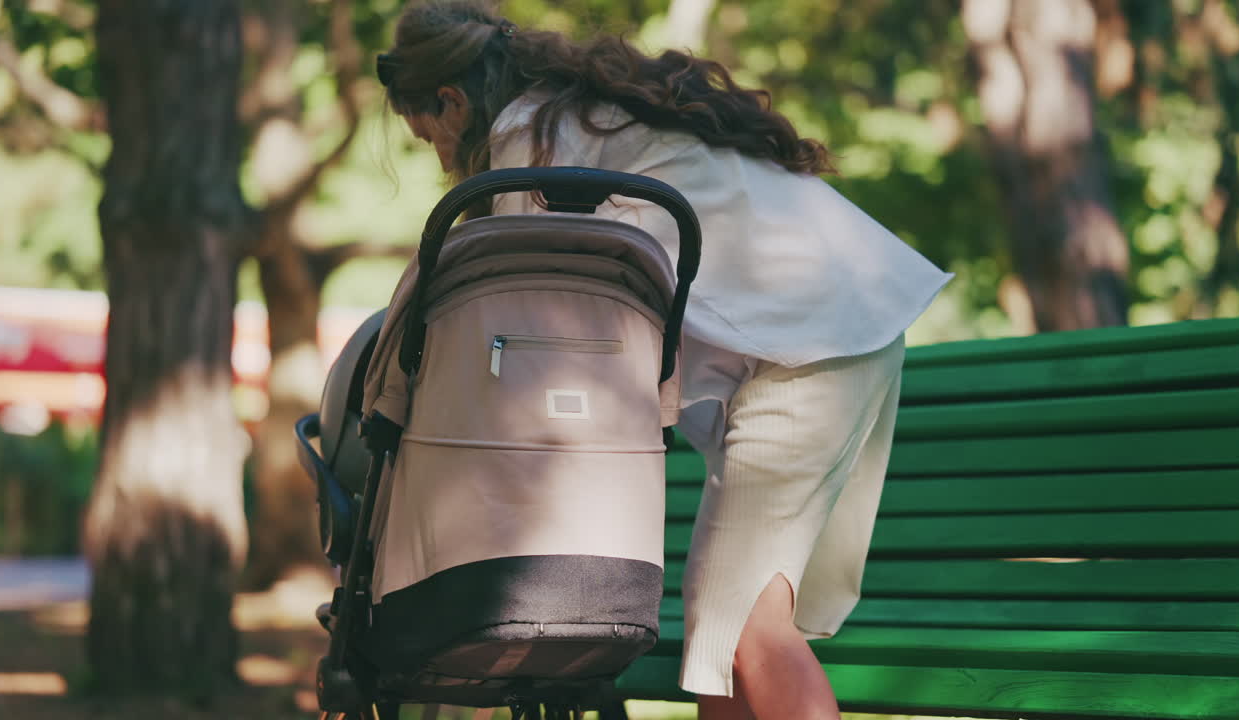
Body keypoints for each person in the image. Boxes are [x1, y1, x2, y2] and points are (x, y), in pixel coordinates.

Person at [375, 2, 953, 718]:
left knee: (746, 626)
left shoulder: (529, 137)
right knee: (723, 632)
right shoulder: (583, 115)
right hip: (842, 322)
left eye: (427, 133)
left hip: (812, 346)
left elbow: (532, 317)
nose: (436, 153)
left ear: (451, 100)